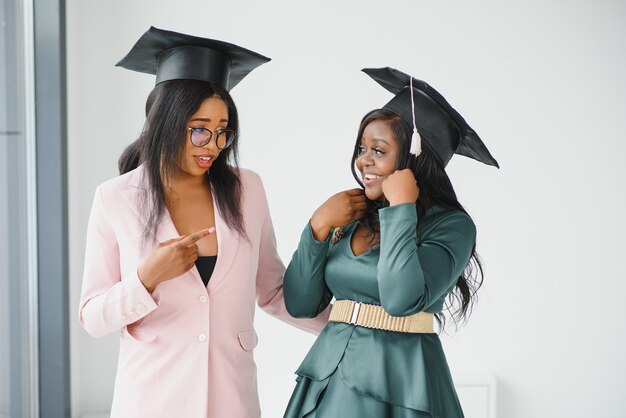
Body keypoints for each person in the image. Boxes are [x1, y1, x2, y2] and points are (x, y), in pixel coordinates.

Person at [78, 27, 328, 418]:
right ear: (165, 121)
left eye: (222, 132)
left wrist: (351, 330)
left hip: (233, 399)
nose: (212, 145)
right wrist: (146, 278)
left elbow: (274, 291)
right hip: (151, 401)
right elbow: (93, 318)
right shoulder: (115, 198)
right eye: (199, 130)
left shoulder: (248, 189)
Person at [282, 67, 499, 418]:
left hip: (401, 386)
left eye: (378, 151)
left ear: (415, 157)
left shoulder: (452, 226)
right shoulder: (349, 215)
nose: (363, 160)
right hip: (327, 382)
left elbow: (401, 300)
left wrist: (401, 209)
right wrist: (317, 228)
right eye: (362, 148)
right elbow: (300, 303)